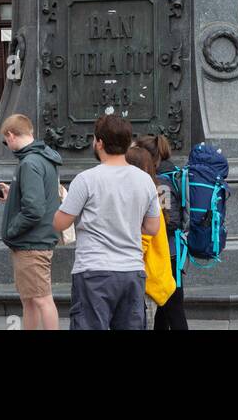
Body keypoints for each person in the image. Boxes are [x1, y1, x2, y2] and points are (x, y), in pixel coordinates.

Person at [54, 113, 160, 332]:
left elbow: (60, 223)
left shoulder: (86, 180)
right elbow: (152, 227)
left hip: (94, 271)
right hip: (132, 271)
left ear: (99, 142)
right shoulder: (145, 181)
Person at [0, 113, 61, 331]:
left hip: (30, 243)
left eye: (6, 142)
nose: (8, 145)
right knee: (31, 299)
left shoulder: (29, 163)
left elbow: (34, 209)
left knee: (41, 299)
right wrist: (13, 193)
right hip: (38, 239)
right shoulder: (43, 158)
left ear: (11, 135)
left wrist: (11, 231)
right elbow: (38, 199)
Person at [134, 133, 190, 331]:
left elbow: (169, 221)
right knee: (163, 315)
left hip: (168, 255)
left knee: (174, 311)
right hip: (168, 253)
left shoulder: (161, 183)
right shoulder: (167, 175)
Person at [125, 143, 175, 328]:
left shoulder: (144, 195)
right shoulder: (156, 189)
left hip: (145, 279)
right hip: (154, 276)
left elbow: (143, 239)